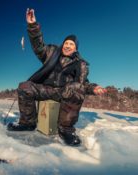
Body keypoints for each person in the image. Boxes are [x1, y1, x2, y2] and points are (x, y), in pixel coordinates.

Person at [7, 9, 106, 146]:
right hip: (46, 89)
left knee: (76, 88)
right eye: (66, 43)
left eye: (71, 44)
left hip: (63, 93)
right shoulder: (52, 52)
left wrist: (94, 88)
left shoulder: (80, 64)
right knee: (25, 86)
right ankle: (28, 123)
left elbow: (83, 84)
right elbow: (38, 46)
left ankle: (66, 130)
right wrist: (32, 25)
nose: (68, 45)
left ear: (75, 49)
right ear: (62, 45)